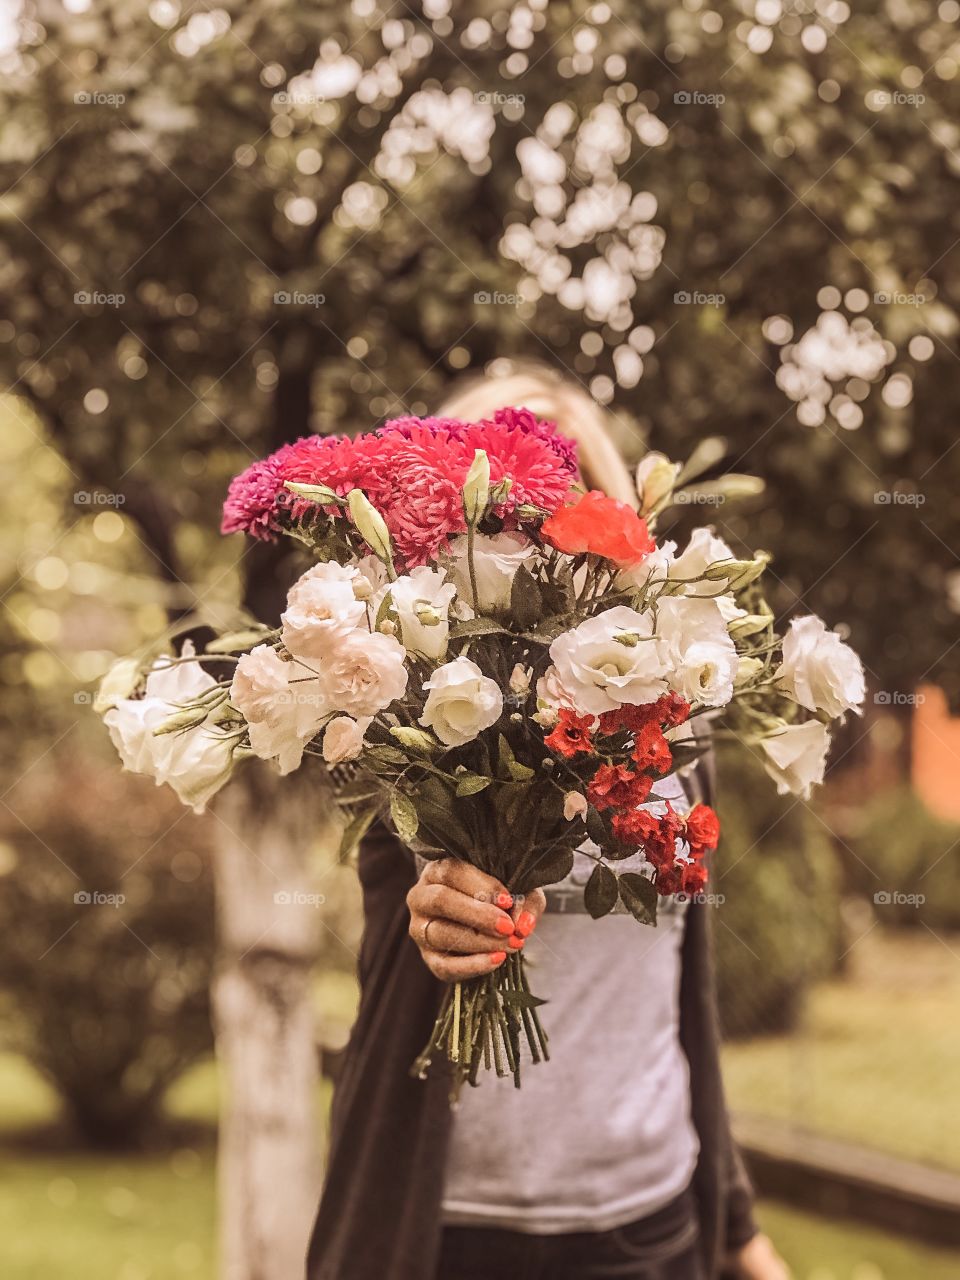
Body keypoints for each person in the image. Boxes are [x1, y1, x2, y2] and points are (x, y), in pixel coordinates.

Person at [307, 364, 790, 1280]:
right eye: (501, 506)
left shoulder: (674, 720)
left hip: (650, 1228)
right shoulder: (397, 718)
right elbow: (406, 920)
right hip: (444, 1233)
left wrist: (735, 1227)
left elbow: (683, 995)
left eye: (561, 499)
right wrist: (441, 910)